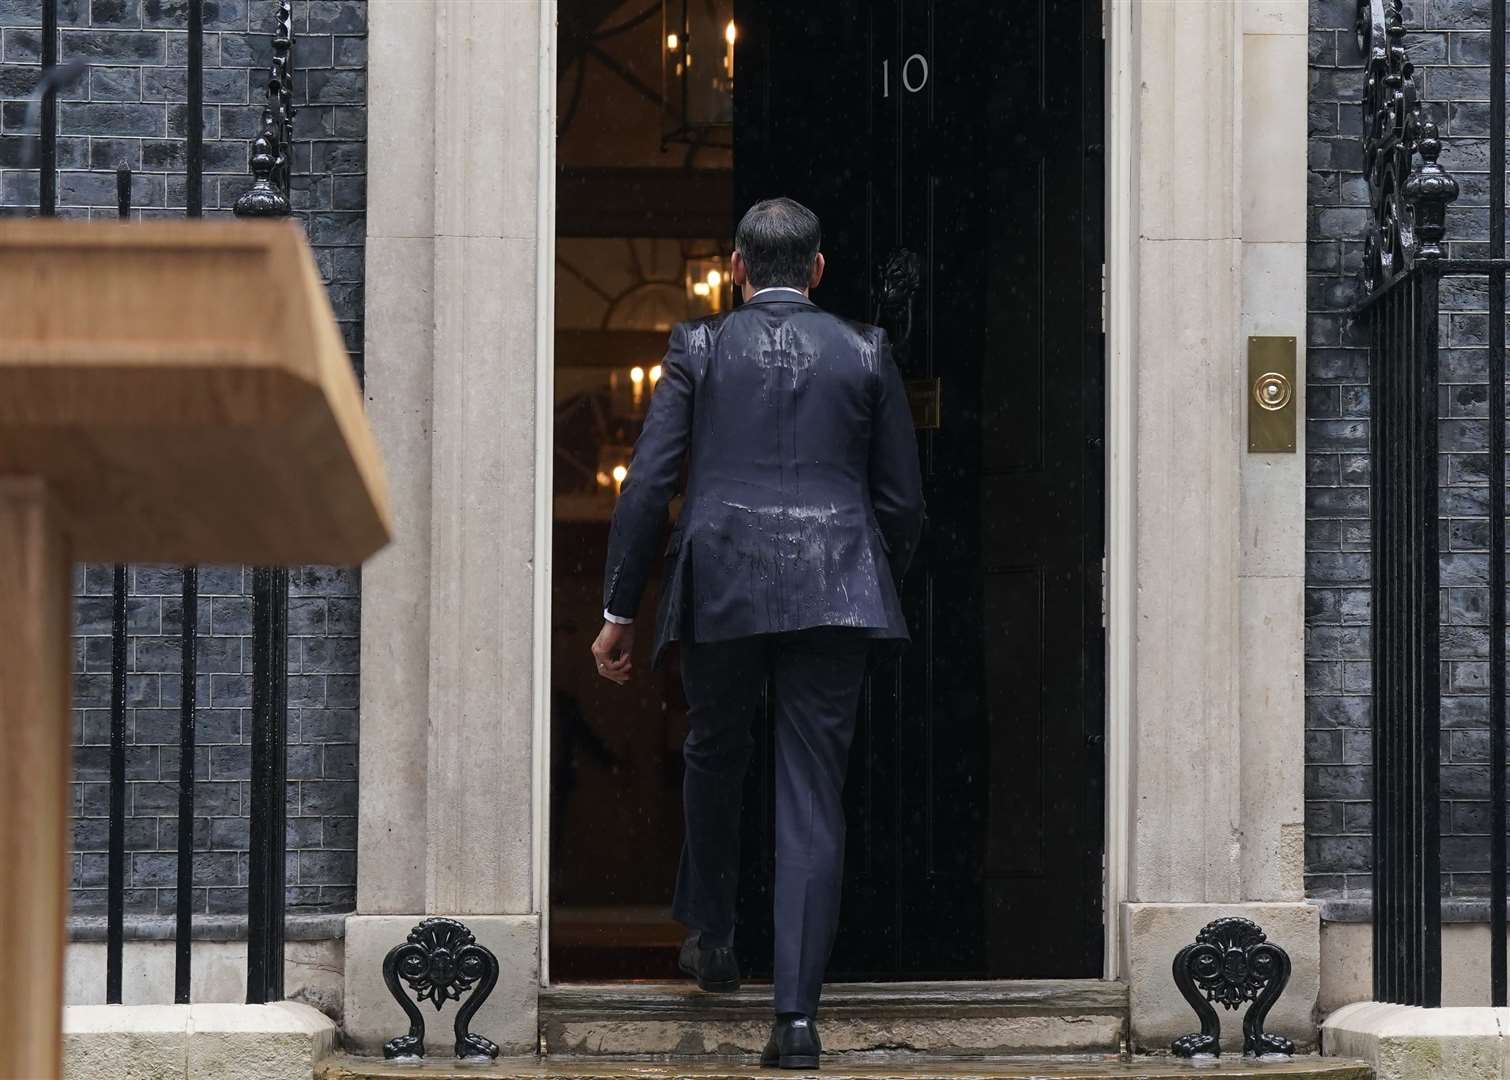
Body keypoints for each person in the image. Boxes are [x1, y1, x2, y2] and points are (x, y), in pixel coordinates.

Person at [591, 197, 924, 1069]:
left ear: (737, 269)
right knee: (811, 787)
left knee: (715, 749)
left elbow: (647, 482)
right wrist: (870, 569)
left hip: (724, 583)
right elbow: (902, 501)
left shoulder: (698, 346)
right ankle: (797, 1021)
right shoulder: (865, 350)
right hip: (838, 584)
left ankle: (713, 936)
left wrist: (620, 608)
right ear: (817, 271)